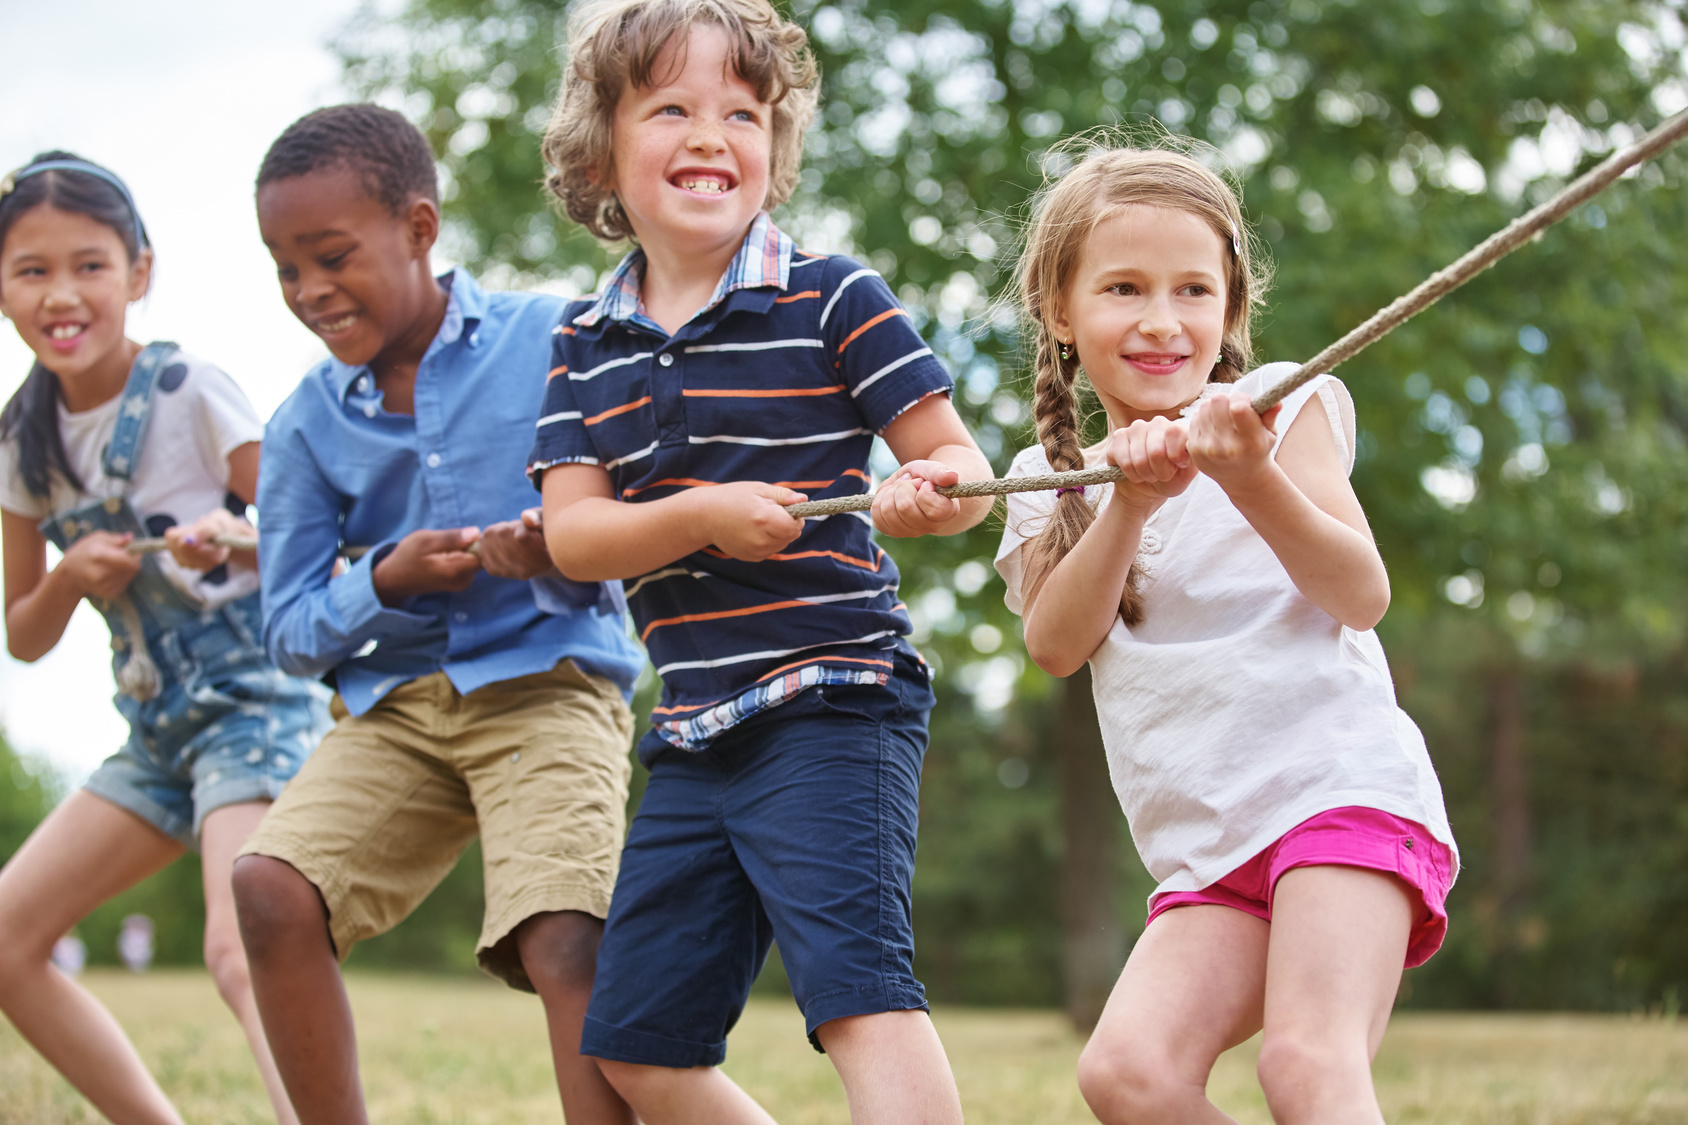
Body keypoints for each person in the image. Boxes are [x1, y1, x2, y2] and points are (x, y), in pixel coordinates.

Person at [530, 2, 993, 1122]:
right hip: (692, 731)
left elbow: (959, 476)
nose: (711, 134)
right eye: (673, 108)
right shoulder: (582, 346)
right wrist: (698, 517)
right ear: (602, 153)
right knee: (640, 1051)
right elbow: (574, 536)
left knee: (857, 999)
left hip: (834, 698)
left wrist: (923, 498)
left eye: (741, 112)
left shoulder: (832, 296)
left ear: (773, 153)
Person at [993, 143, 1460, 1125]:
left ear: (1229, 310)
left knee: (1304, 1064)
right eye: (1122, 288)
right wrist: (1124, 504)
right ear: (1059, 312)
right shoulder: (1044, 485)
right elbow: (1053, 645)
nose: (1161, 320)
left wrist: (1247, 477)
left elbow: (1358, 593)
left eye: (1191, 290)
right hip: (1207, 853)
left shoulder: (1281, 409)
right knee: (1125, 1075)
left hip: (1337, 796)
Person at [230, 103, 647, 1125]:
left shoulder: (557, 338)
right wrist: (386, 576)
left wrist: (557, 544)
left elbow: (638, 517)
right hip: (397, 708)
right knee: (269, 890)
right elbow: (286, 628)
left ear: (419, 229)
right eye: (286, 269)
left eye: (332, 256)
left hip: (550, 683)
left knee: (565, 934)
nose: (310, 291)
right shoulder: (303, 426)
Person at [0, 152, 326, 1125]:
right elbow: (22, 636)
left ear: (139, 272)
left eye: (90, 265)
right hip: (155, 731)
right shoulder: (23, 445)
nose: (63, 293)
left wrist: (239, 535)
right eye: (31, 269)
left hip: (253, 707)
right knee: (9, 942)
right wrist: (67, 576)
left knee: (243, 943)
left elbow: (316, 541)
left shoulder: (188, 388)